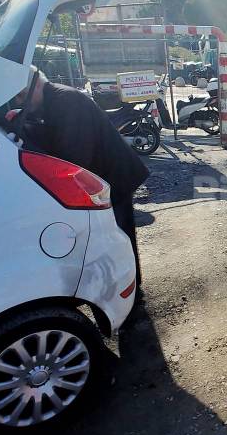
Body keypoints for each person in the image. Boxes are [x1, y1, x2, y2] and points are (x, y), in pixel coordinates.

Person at [9, 67, 149, 287]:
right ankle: (122, 286)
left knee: (119, 236)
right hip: (102, 178)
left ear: (36, 84)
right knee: (113, 237)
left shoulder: (66, 101)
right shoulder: (52, 100)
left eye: (21, 95)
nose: (20, 101)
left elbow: (73, 154)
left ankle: (129, 290)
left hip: (113, 176)